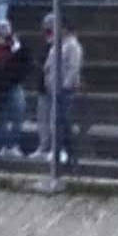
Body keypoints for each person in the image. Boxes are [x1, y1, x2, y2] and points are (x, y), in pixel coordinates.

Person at [35, 13, 83, 165]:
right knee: (57, 121)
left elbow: (73, 68)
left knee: (63, 122)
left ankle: (66, 152)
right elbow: (49, 64)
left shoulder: (73, 45)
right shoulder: (57, 44)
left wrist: (65, 86)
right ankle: (58, 150)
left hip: (64, 91)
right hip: (53, 88)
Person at [0, 20, 33, 162]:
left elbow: (26, 63)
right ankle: (1, 147)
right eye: (1, 27)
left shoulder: (17, 45)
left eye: (7, 27)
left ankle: (12, 145)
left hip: (14, 85)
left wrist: (17, 49)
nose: (4, 30)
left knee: (19, 114)